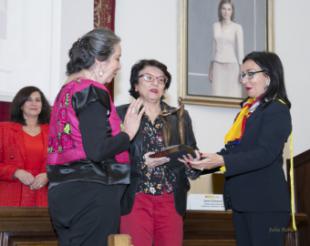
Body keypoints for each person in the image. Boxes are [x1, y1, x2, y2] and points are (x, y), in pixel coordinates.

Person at [46, 28, 144, 246]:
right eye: (117, 58)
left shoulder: (66, 90)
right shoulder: (92, 90)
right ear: (100, 61)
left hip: (62, 191)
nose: (119, 65)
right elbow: (97, 150)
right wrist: (128, 132)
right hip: (91, 192)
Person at [189, 51, 292, 246]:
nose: (245, 80)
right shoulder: (246, 112)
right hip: (242, 202)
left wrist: (223, 160)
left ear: (268, 77)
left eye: (250, 73)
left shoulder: (277, 109)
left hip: (265, 204)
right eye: (242, 74)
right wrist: (202, 162)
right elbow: (233, 151)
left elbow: (265, 154)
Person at [117, 59, 200, 246]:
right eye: (148, 78)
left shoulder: (178, 117)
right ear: (135, 85)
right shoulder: (121, 114)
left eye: (161, 80)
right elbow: (111, 159)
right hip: (135, 196)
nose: (155, 83)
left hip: (170, 197)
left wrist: (193, 163)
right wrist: (141, 164)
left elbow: (192, 154)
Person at [0, 86, 50, 207]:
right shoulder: (3, 129)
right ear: (21, 104)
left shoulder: (53, 132)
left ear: (42, 105)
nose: (34, 103)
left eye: (38, 100)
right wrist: (15, 172)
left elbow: (63, 164)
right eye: (29, 99)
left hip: (43, 199)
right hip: (9, 199)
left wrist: (49, 175)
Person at [209, 0, 244, 98]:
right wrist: (211, 68)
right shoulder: (215, 26)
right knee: (216, 95)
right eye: (223, 9)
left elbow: (240, 50)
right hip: (217, 66)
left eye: (229, 9)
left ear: (232, 11)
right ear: (220, 10)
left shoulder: (237, 27)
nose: (226, 12)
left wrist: (242, 71)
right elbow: (213, 48)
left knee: (233, 96)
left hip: (232, 66)